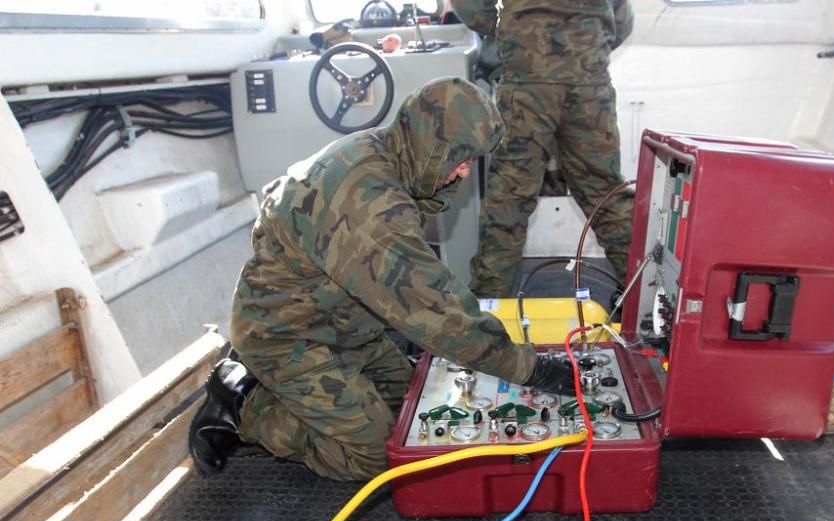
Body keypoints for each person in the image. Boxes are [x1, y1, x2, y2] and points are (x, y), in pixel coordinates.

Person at [188, 77, 575, 481]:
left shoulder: (387, 149)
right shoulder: (370, 206)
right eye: (459, 158)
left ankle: (282, 391)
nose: (463, 172)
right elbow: (436, 312)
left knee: (418, 411)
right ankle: (245, 406)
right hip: (288, 337)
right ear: (432, 143)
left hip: (345, 326)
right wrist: (532, 370)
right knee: (381, 457)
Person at [454, 0, 636, 298]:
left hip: (528, 74)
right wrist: (584, 47)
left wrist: (507, 31)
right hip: (588, 75)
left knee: (510, 195)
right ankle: (639, 301)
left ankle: (488, 309)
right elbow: (622, 18)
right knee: (604, 191)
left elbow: (470, 6)